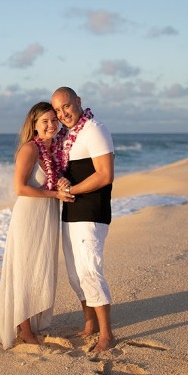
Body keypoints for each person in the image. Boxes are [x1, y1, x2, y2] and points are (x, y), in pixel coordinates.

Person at [0, 102, 75, 349]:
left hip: (48, 215)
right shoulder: (30, 149)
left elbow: (51, 181)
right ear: (34, 125)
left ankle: (31, 320)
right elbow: (19, 188)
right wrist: (54, 195)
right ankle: (24, 329)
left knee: (41, 266)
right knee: (26, 269)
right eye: (45, 121)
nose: (51, 125)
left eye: (54, 120)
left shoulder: (55, 150)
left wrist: (60, 184)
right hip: (29, 217)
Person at [51, 86, 116, 352]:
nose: (62, 113)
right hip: (71, 212)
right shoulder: (66, 135)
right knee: (75, 275)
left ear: (78, 101)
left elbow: (105, 175)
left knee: (90, 270)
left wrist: (71, 190)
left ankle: (107, 335)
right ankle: (89, 325)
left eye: (66, 106)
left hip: (91, 211)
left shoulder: (95, 129)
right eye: (57, 110)